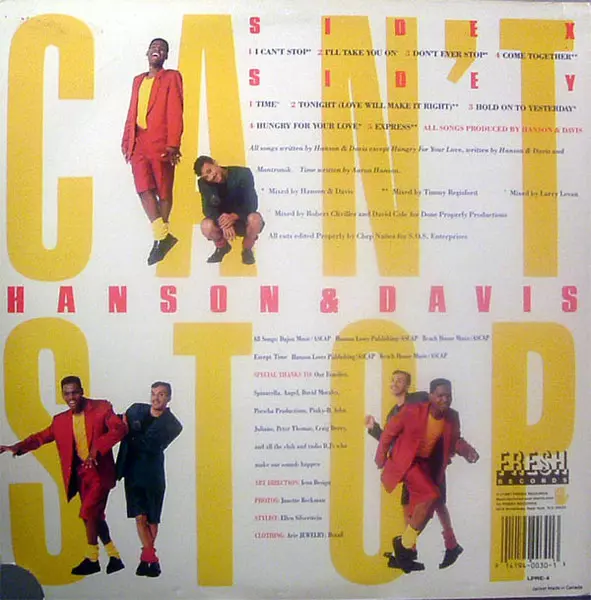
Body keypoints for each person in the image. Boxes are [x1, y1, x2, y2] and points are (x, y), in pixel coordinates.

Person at [0, 376, 127, 576]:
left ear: (82, 391)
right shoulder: (60, 421)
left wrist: (97, 449)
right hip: (81, 475)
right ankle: (114, 556)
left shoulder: (102, 408)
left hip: (100, 474)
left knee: (87, 513)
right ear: (62, 395)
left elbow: (120, 428)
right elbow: (41, 437)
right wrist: (17, 447)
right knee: (93, 517)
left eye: (75, 392)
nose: (71, 397)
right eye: (67, 394)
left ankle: (92, 559)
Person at [365, 371, 472, 569]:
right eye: (393, 380)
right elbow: (389, 436)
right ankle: (408, 551)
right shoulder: (399, 412)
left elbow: (454, 438)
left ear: (408, 385)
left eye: (400, 381)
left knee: (434, 502)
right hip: (409, 464)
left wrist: (466, 451)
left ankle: (424, 547)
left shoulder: (423, 401)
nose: (395, 384)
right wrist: (375, 435)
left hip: (433, 463)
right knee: (412, 505)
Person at [122, 38, 184, 266]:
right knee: (143, 188)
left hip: (161, 142)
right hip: (138, 141)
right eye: (154, 47)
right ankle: (163, 236)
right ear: (147, 53)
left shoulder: (171, 77)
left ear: (166, 56)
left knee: (163, 189)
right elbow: (132, 110)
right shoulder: (138, 80)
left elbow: (176, 110)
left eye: (162, 49)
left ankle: (160, 239)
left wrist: (173, 143)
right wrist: (127, 139)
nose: (157, 50)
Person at [116, 382, 182, 578]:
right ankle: (151, 558)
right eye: (153, 394)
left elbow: (150, 445)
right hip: (132, 472)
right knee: (140, 517)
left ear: (169, 398)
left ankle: (147, 560)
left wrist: (130, 433)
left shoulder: (173, 425)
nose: (156, 398)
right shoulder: (136, 410)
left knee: (152, 519)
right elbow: (118, 422)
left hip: (153, 474)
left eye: (161, 394)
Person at [194, 155, 264, 265]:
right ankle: (222, 247)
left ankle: (247, 250)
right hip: (223, 224)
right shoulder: (203, 184)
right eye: (206, 177)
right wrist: (224, 223)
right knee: (206, 226)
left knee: (255, 219)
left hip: (242, 219)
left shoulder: (243, 173)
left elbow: (252, 203)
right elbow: (208, 209)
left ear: (215, 163)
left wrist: (234, 216)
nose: (211, 177)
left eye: (210, 171)